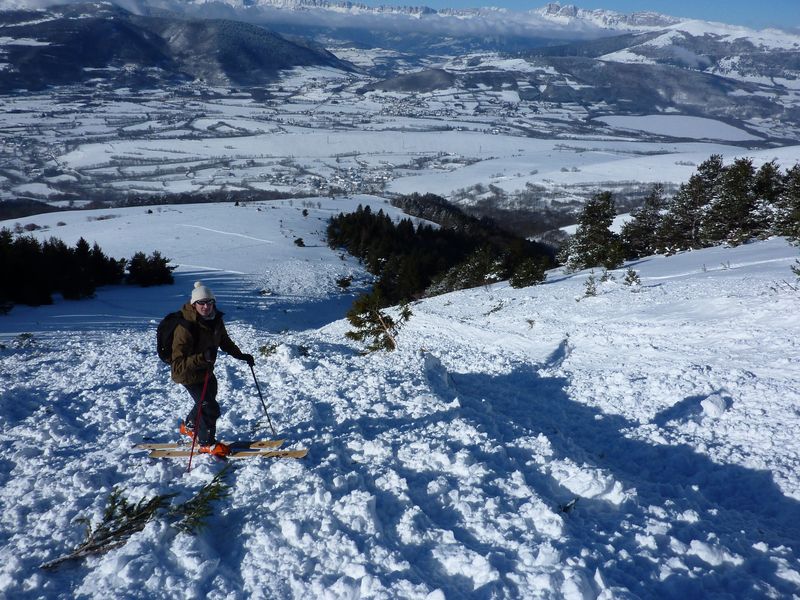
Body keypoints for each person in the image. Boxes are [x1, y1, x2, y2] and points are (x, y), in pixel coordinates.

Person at [171, 281, 255, 457]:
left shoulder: (215, 320)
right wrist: (202, 357)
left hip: (205, 371)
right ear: (194, 304)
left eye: (209, 302)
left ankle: (190, 426)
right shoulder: (185, 327)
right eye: (201, 303)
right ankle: (206, 443)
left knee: (205, 402)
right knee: (210, 407)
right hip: (188, 374)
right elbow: (177, 365)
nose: (206, 306)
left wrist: (241, 355)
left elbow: (225, 341)